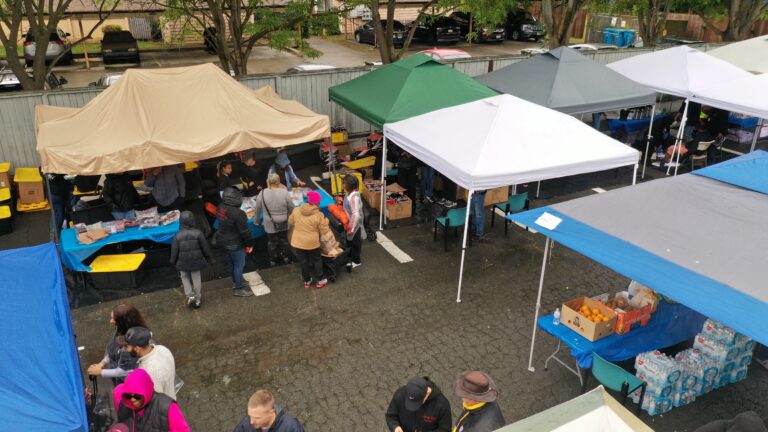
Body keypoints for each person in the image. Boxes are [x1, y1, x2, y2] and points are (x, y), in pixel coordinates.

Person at [87, 304, 148, 385]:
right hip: (117, 373)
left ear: (122, 322)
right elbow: (113, 349)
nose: (110, 321)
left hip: (127, 381)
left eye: (113, 319)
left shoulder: (131, 344)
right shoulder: (121, 329)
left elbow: (124, 371)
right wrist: (102, 363)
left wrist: (100, 372)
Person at [113, 368, 190, 431]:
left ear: (146, 391)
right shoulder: (122, 403)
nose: (132, 400)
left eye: (137, 396)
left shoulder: (167, 408)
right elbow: (117, 390)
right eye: (129, 396)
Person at [217, 187, 254, 297]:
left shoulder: (220, 207)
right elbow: (245, 232)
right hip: (235, 243)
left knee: (232, 263)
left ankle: (236, 281)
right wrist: (250, 244)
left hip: (223, 240)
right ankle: (239, 288)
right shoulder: (239, 213)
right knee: (239, 265)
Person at [288, 190, 330, 289]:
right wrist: (326, 221)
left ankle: (307, 281)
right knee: (316, 259)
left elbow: (291, 221)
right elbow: (324, 231)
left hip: (297, 241)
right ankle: (320, 280)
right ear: (317, 202)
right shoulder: (319, 215)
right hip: (312, 242)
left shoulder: (296, 210)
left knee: (303, 261)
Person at [171, 210, 211, 309]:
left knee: (184, 277)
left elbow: (174, 251)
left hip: (182, 262)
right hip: (197, 261)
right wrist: (208, 257)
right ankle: (197, 299)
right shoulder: (198, 233)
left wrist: (173, 261)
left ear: (181, 222)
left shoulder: (177, 235)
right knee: (196, 277)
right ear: (193, 221)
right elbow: (205, 248)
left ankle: (190, 295)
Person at [124, 326, 178, 400]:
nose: (126, 349)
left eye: (127, 346)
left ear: (137, 349)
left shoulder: (150, 373)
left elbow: (157, 401)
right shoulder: (162, 349)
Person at [253, 173, 294, 266]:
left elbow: (257, 209)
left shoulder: (262, 193)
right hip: (284, 222)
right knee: (284, 240)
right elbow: (291, 207)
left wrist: (257, 221)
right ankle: (286, 257)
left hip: (269, 224)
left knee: (272, 242)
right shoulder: (284, 192)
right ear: (278, 181)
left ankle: (273, 259)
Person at [385, 376, 452, 432]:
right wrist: (395, 427)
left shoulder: (442, 405)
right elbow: (391, 416)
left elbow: (445, 429)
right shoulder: (400, 394)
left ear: (427, 392)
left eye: (417, 402)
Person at [233, 390, 305, 432]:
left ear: (271, 412)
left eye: (257, 418)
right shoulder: (244, 425)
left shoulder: (292, 427)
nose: (251, 421)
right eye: (250, 415)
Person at [343, 175, 365, 268]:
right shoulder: (348, 193)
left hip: (355, 224)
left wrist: (351, 227)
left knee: (356, 242)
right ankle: (351, 255)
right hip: (349, 222)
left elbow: (356, 214)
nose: (343, 185)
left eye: (344, 183)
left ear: (350, 185)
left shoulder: (354, 197)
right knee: (350, 240)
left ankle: (356, 261)